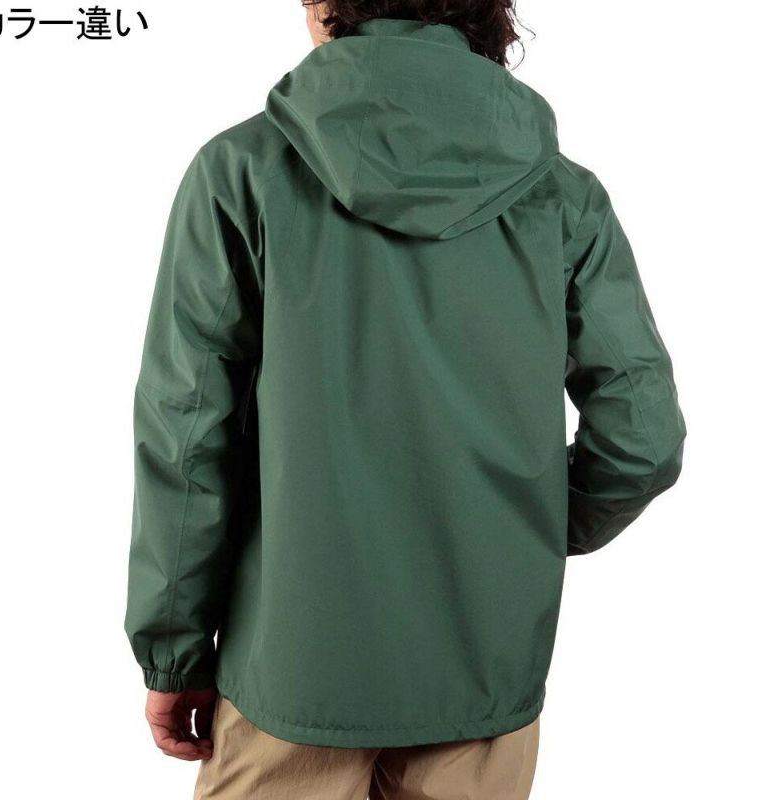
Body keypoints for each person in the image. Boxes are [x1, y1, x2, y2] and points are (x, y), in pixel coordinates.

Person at [124, 2, 687, 798]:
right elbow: (643, 438)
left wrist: (173, 651)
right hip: (483, 667)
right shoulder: (565, 196)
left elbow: (186, 434)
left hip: (292, 667)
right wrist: (521, 531)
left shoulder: (240, 171)